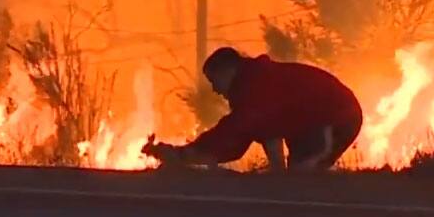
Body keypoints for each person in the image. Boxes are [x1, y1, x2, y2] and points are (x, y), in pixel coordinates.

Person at [142, 47, 363, 171]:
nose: (215, 90)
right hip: (318, 120)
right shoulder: (253, 85)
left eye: (214, 80)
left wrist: (183, 156)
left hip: (334, 116)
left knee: (301, 179)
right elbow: (259, 131)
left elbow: (236, 132)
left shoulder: (254, 88)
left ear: (228, 70)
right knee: (295, 180)